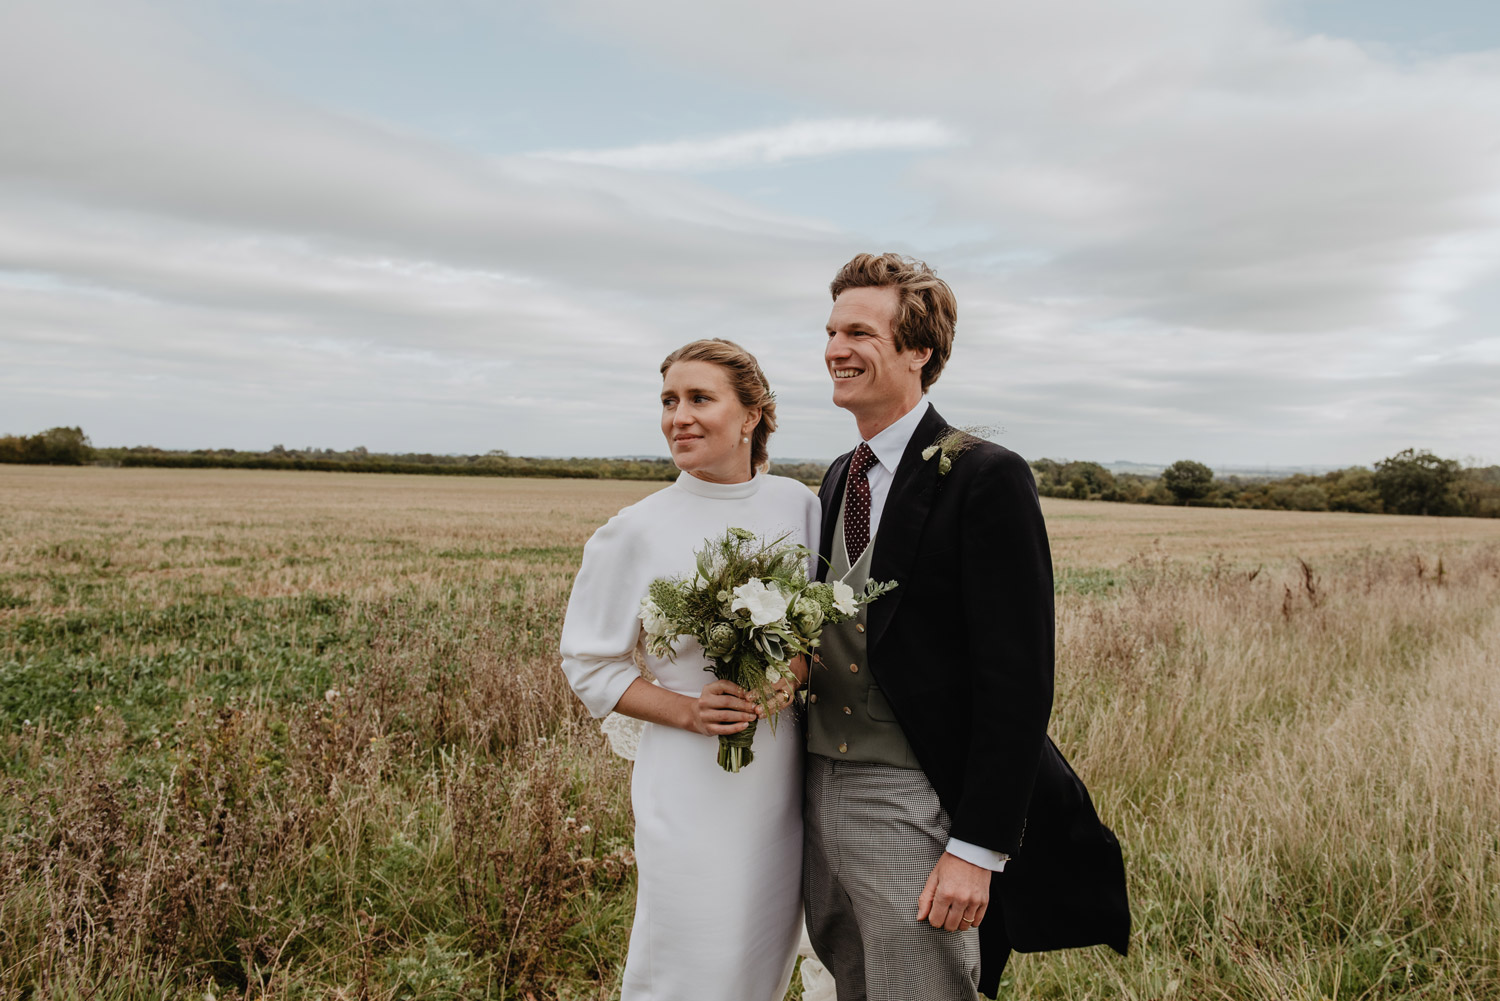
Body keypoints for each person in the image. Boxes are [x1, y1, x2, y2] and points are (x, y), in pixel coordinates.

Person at [802, 253, 1130, 1000]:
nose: (834, 348)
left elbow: (1017, 680)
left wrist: (977, 848)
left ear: (920, 350)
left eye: (858, 330)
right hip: (815, 788)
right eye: (829, 330)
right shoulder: (835, 475)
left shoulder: (986, 475)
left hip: (912, 792)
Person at [558, 338, 819, 1001]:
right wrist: (687, 709)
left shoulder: (799, 506)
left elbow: (818, 622)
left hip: (782, 778)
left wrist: (793, 667)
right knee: (688, 958)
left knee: (758, 959)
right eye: (669, 401)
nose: (679, 416)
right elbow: (589, 663)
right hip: (687, 783)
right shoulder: (635, 529)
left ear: (752, 414)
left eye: (700, 398)